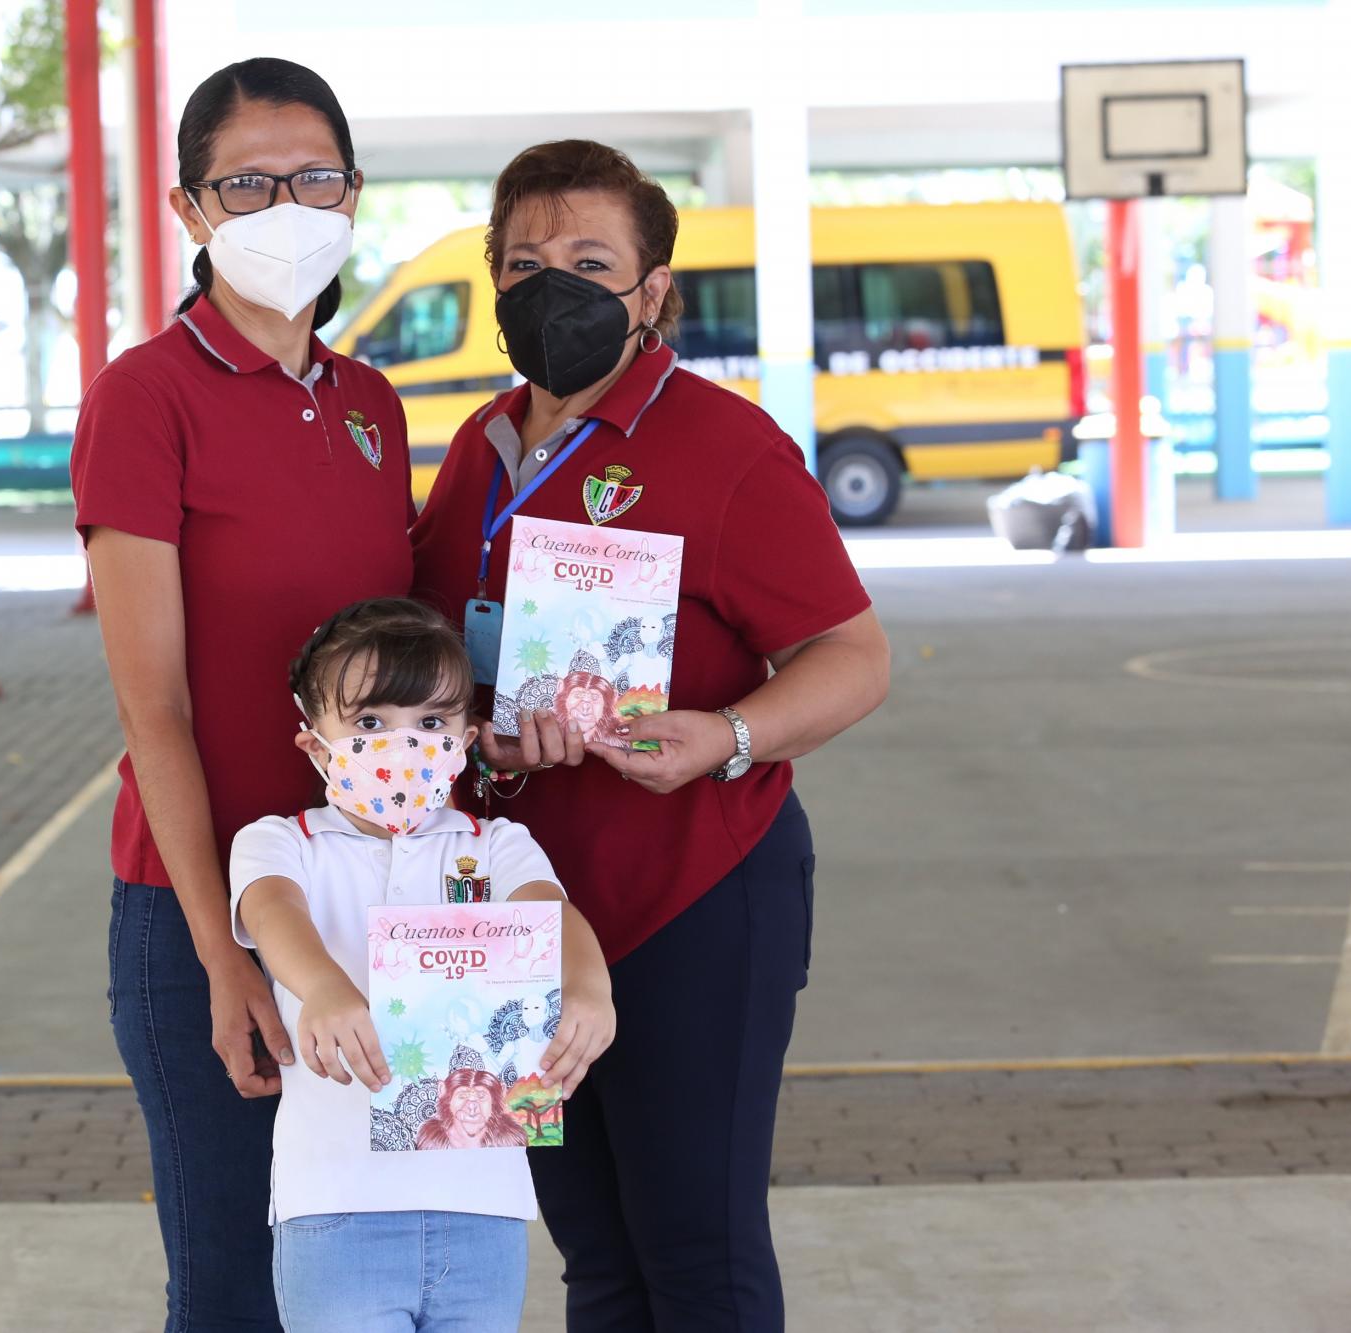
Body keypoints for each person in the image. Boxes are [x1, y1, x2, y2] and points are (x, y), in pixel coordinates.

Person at [411, 140, 892, 1332]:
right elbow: (437, 645)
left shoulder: (726, 449)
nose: (553, 287)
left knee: (697, 1250)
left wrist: (723, 735)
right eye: (523, 263)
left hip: (692, 895)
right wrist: (466, 729)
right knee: (591, 1251)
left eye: (589, 261)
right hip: (517, 910)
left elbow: (852, 656)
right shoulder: (474, 452)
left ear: (653, 289)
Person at [71, 58, 416, 1331]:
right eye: (249, 181)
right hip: (205, 913)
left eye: (315, 175)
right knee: (232, 1289)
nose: (289, 204)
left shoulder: (371, 403)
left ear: (352, 194)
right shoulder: (144, 399)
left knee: (368, 1281)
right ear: (188, 210)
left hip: (363, 900)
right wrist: (227, 960)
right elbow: (150, 705)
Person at [229, 598, 616, 1333]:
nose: (403, 743)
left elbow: (553, 916)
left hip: (484, 1206)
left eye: (431, 723)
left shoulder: (498, 844)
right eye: (370, 723)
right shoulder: (280, 842)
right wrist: (322, 988)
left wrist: (590, 987)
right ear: (315, 744)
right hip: (335, 1204)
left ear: (467, 738)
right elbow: (272, 912)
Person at [414, 1068, 530, 1150]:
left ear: (501, 1095)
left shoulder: (511, 1138)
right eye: (462, 1096)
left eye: (481, 1096)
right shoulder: (431, 1138)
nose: (472, 1108)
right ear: (442, 1092)